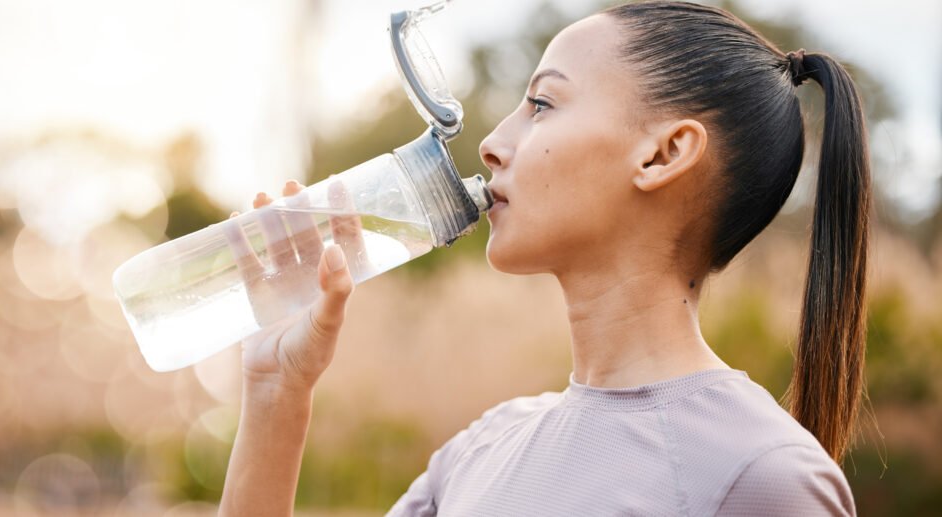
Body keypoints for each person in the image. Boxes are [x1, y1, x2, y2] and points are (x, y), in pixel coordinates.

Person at [219, 1, 870, 515]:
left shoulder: (761, 476)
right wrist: (276, 392)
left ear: (663, 154)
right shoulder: (479, 451)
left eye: (541, 104)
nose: (494, 145)